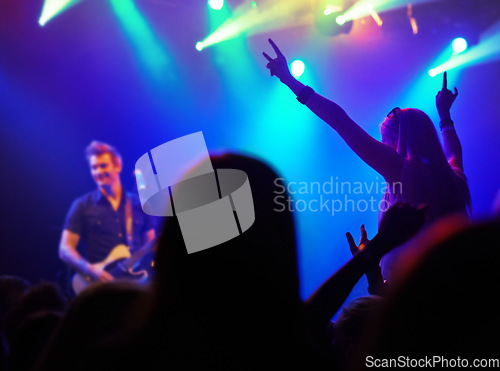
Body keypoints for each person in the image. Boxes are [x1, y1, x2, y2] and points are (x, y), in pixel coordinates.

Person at [263, 39, 471, 281]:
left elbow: (340, 121)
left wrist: (289, 80)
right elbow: (454, 152)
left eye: (385, 141)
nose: (382, 148)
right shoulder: (455, 179)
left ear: (403, 141)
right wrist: (444, 115)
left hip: (410, 295)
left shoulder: (400, 171)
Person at [59, 141, 156, 287]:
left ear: (118, 166)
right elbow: (65, 249)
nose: (98, 172)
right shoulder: (82, 205)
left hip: (137, 285)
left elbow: (151, 244)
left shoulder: (140, 204)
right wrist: (90, 270)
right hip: (98, 286)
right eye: (94, 168)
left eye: (103, 166)